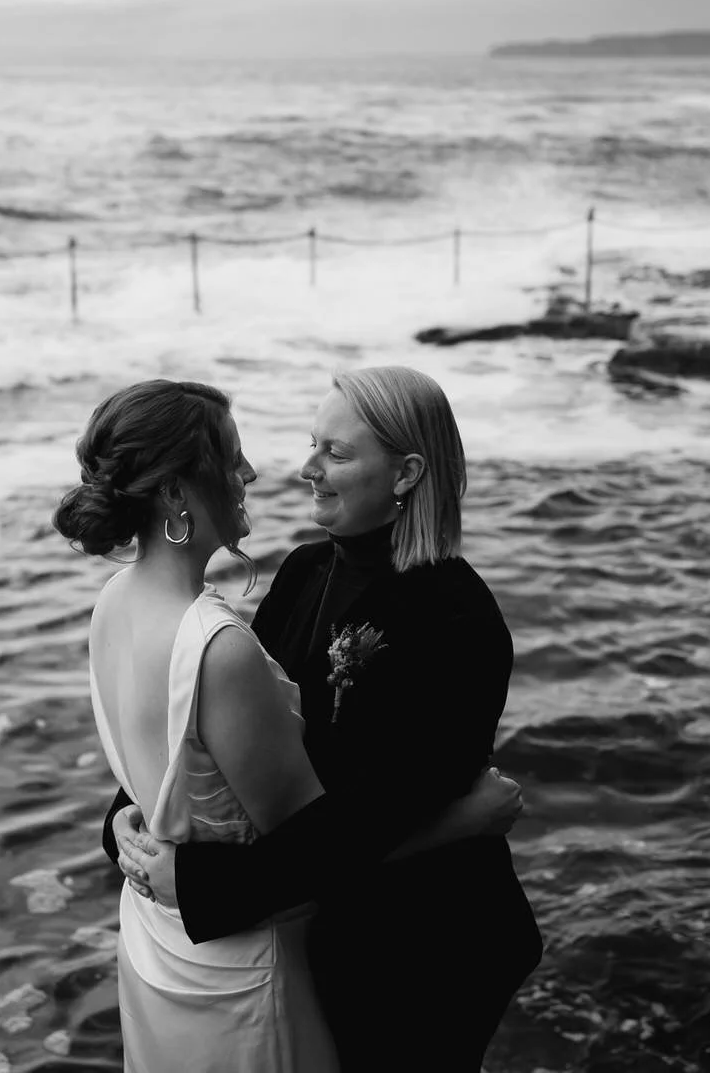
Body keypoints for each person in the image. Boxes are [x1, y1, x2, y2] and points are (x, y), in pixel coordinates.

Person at [54, 378, 519, 1073]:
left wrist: (204, 885)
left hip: (418, 950)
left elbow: (366, 820)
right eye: (313, 447)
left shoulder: (457, 620)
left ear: (408, 474)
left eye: (334, 452)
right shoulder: (305, 571)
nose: (306, 469)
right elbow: (213, 734)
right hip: (321, 930)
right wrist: (129, 816)